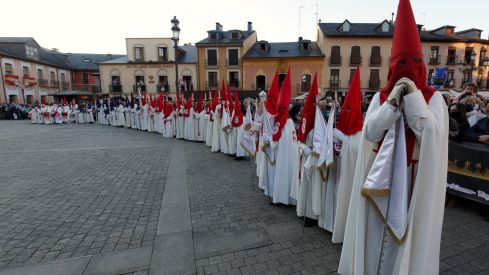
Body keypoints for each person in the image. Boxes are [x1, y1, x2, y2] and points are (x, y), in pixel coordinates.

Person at [339, 0, 449, 274]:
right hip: (379, 177)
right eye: (400, 63)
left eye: (413, 63)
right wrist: (391, 105)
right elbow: (371, 132)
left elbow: (432, 135)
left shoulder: (434, 99)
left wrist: (413, 97)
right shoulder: (380, 96)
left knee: (406, 240)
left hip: (413, 180)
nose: (406, 68)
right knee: (375, 239)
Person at [331, 67, 364, 243]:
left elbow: (356, 149)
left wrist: (342, 137)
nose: (346, 115)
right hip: (340, 174)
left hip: (352, 179)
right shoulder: (344, 127)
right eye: (345, 111)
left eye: (349, 112)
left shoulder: (361, 132)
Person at [269, 68, 298, 205]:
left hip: (283, 157)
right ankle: (288, 198)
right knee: (287, 176)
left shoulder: (282, 122)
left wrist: (268, 141)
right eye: (279, 108)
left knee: (283, 176)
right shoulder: (291, 122)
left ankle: (281, 198)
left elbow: (274, 143)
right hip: (290, 156)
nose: (280, 111)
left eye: (282, 108)